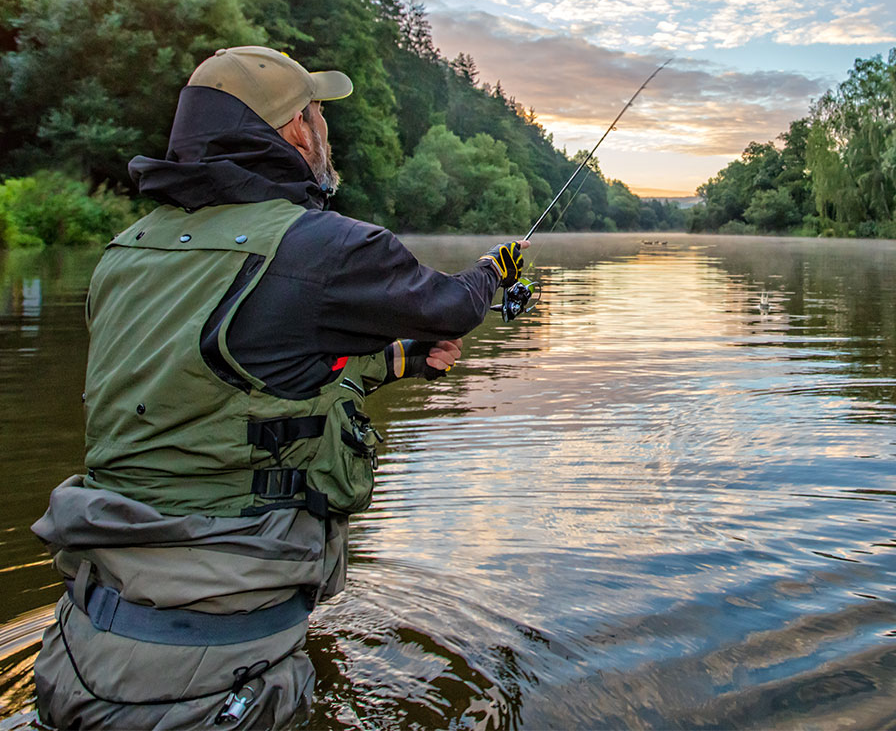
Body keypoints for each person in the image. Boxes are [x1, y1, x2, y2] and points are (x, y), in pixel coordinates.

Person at [31, 46, 527, 729]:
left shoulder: (127, 252)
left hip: (77, 651)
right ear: (295, 128)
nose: (327, 132)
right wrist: (491, 271)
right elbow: (452, 306)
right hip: (212, 686)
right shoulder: (324, 247)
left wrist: (402, 362)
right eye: (320, 116)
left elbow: (230, 378)